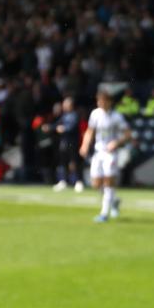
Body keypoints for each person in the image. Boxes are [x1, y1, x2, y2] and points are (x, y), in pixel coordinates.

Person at [80, 90, 132, 223]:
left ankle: (104, 213)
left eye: (102, 100)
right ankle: (114, 201)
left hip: (110, 154)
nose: (100, 103)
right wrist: (85, 145)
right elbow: (90, 131)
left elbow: (127, 135)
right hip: (98, 152)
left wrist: (116, 142)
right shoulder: (95, 114)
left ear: (109, 102)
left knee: (108, 182)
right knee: (96, 183)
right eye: (98, 100)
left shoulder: (117, 117)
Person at [52, 97, 85, 192]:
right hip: (64, 142)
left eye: (66, 104)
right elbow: (57, 124)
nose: (64, 106)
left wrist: (63, 129)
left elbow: (71, 127)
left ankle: (79, 182)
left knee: (74, 162)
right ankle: (63, 181)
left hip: (73, 142)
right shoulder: (64, 115)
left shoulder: (74, 115)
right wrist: (49, 127)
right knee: (63, 162)